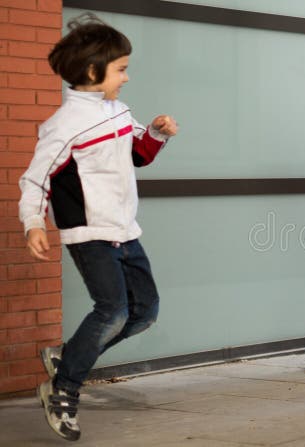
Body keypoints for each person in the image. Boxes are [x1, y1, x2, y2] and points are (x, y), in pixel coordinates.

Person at [18, 14, 178, 441]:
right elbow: (35, 179)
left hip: (126, 229)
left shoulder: (119, 112)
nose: (126, 77)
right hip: (89, 233)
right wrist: (34, 222)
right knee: (112, 309)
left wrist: (158, 134)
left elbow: (137, 155)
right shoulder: (63, 126)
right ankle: (63, 389)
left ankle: (67, 358)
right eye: (121, 69)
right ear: (93, 72)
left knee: (144, 312)